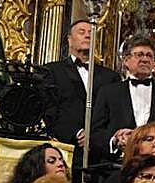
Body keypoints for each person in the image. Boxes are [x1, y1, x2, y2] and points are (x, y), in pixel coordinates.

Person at [90, 37, 155, 163]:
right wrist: (115, 140)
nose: (145, 59)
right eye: (139, 55)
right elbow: (96, 132)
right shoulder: (108, 92)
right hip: (116, 166)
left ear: (154, 63)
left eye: (149, 55)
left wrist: (149, 138)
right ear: (126, 61)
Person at [42, 19, 117, 171]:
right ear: (69, 39)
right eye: (82, 32)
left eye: (91, 33)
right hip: (65, 149)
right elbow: (49, 109)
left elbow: (115, 112)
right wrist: (77, 133)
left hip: (100, 154)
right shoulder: (52, 71)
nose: (88, 36)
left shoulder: (110, 77)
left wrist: (96, 137)